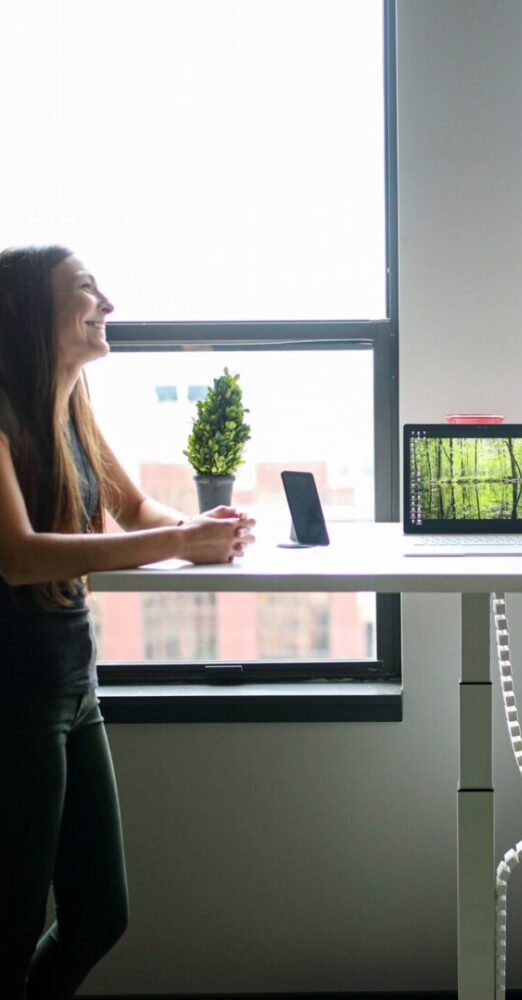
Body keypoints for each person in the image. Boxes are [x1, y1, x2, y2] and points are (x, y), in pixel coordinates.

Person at [0, 245, 256, 998]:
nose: (106, 303)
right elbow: (17, 556)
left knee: (99, 915)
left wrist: (208, 529)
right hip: (13, 697)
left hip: (74, 687)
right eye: (85, 289)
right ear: (28, 313)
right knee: (10, 933)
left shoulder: (73, 406)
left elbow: (137, 510)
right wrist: (180, 541)